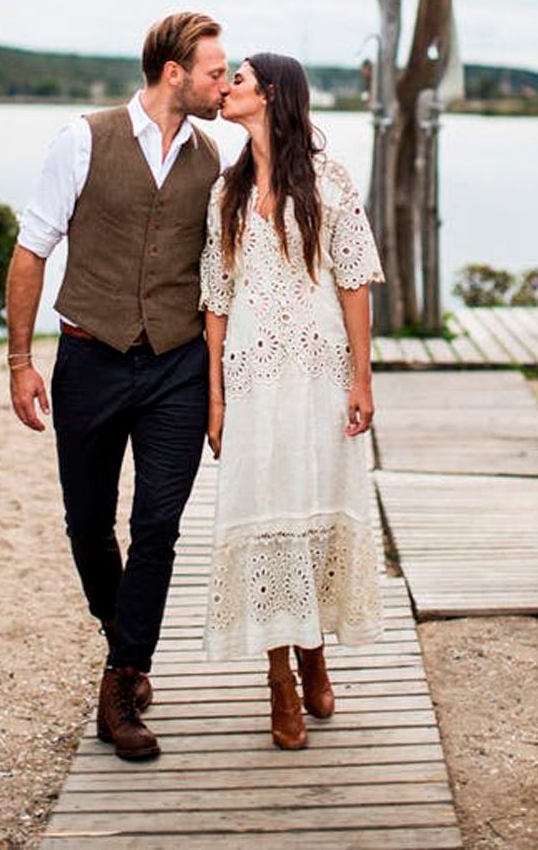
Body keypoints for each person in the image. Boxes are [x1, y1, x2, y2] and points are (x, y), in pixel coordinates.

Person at [6, 12, 230, 761]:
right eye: (213, 72)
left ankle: (123, 676)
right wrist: (18, 362)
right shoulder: (82, 140)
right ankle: (123, 633)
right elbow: (33, 249)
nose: (222, 84)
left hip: (177, 366)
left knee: (158, 528)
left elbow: (225, 277)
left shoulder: (212, 159)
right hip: (90, 359)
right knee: (88, 525)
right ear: (174, 72)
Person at [200, 53, 384, 750]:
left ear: (271, 95)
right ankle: (278, 676)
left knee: (312, 506)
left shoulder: (329, 182)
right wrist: (214, 397)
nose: (226, 89)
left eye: (237, 80)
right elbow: (215, 299)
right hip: (251, 379)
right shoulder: (226, 192)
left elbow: (355, 283)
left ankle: (313, 649)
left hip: (319, 375)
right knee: (261, 508)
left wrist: (362, 380)